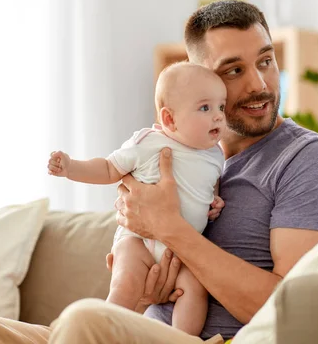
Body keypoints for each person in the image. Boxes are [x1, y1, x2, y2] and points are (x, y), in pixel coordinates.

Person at [0, 0, 318, 344]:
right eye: (234, 71)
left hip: (209, 338)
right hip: (127, 331)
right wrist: (145, 291)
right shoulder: (182, 155)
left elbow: (295, 311)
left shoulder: (307, 161)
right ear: (202, 79)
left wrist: (170, 228)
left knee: (85, 321)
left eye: (266, 60)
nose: (259, 83)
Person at [46, 62, 227, 336]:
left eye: (221, 107)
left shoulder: (215, 155)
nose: (218, 117)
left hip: (183, 251)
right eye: (205, 108)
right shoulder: (148, 143)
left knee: (196, 288)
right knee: (126, 286)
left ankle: (181, 339)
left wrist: (214, 203)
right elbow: (108, 169)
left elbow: (208, 189)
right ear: (169, 119)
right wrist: (72, 168)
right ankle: (105, 333)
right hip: (138, 241)